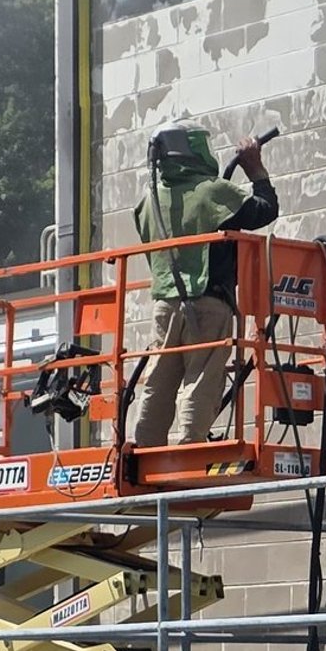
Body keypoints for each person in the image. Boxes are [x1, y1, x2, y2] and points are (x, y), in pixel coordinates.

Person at [126, 124, 279, 447]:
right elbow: (265, 210)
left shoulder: (149, 203)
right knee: (202, 378)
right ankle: (190, 446)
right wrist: (255, 167)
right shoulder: (213, 191)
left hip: (164, 306)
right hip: (209, 304)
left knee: (159, 378)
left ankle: (144, 446)